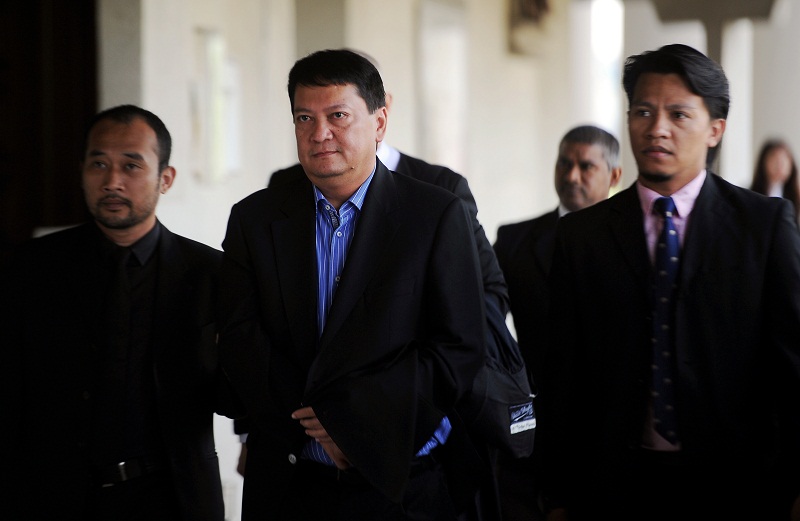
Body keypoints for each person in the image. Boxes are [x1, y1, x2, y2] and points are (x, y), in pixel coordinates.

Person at [217, 49, 487, 520]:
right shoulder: (255, 220)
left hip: (401, 485)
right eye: (304, 117)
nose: (319, 134)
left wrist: (353, 426)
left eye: (338, 115)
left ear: (379, 122)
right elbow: (241, 338)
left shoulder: (435, 215)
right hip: (289, 481)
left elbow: (457, 349)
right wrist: (315, 424)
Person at [537, 43, 800, 521]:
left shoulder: (763, 225)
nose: (656, 128)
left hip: (737, 484)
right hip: (614, 485)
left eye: (679, 114)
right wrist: (557, 493)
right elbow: (563, 373)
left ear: (715, 130)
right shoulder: (583, 235)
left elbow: (792, 365)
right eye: (643, 111)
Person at [0, 105, 225, 520]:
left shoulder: (210, 274)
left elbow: (236, 394)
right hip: (52, 496)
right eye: (98, 163)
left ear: (166, 179)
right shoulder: (33, 268)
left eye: (131, 166)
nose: (112, 181)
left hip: (172, 497)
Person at [492, 124, 621, 521]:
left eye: (586, 166)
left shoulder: (634, 243)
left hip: (611, 435)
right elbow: (483, 324)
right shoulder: (514, 241)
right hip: (531, 432)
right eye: (564, 163)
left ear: (614, 176)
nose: (571, 176)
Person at [750, 138, 800, 223]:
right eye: (775, 160)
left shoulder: (796, 196)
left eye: (784, 160)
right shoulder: (752, 194)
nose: (780, 166)